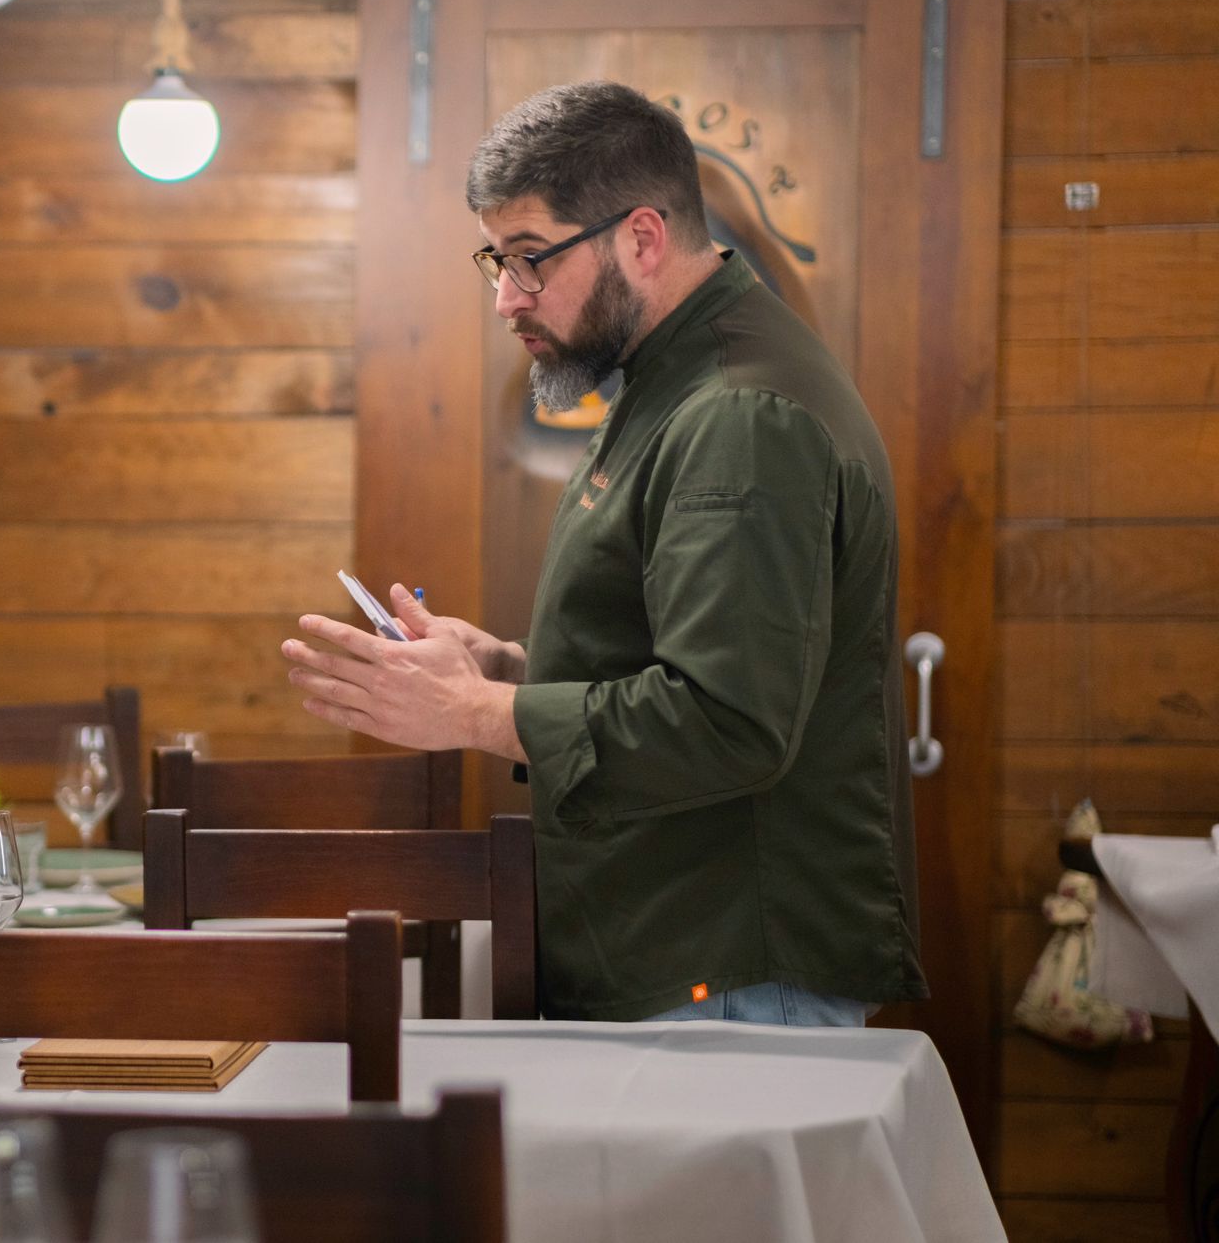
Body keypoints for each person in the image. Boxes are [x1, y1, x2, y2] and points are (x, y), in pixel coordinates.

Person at [282, 81, 927, 1027]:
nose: (507, 297)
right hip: (683, 954)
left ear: (642, 238)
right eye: (496, 261)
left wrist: (480, 712)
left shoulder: (740, 415)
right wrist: (502, 667)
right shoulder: (672, 380)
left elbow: (728, 721)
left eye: (531, 259)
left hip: (732, 970)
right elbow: (669, 662)